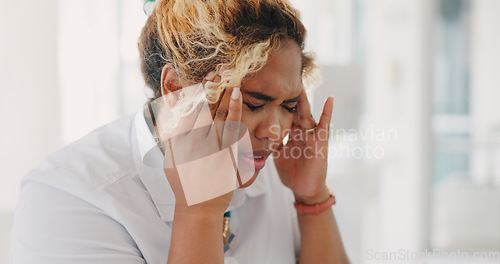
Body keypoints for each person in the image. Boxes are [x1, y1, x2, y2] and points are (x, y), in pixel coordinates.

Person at [8, 0, 349, 263]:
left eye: (288, 107)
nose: (275, 132)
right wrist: (199, 211)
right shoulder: (66, 198)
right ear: (175, 90)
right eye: (253, 103)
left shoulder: (265, 169)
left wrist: (311, 198)